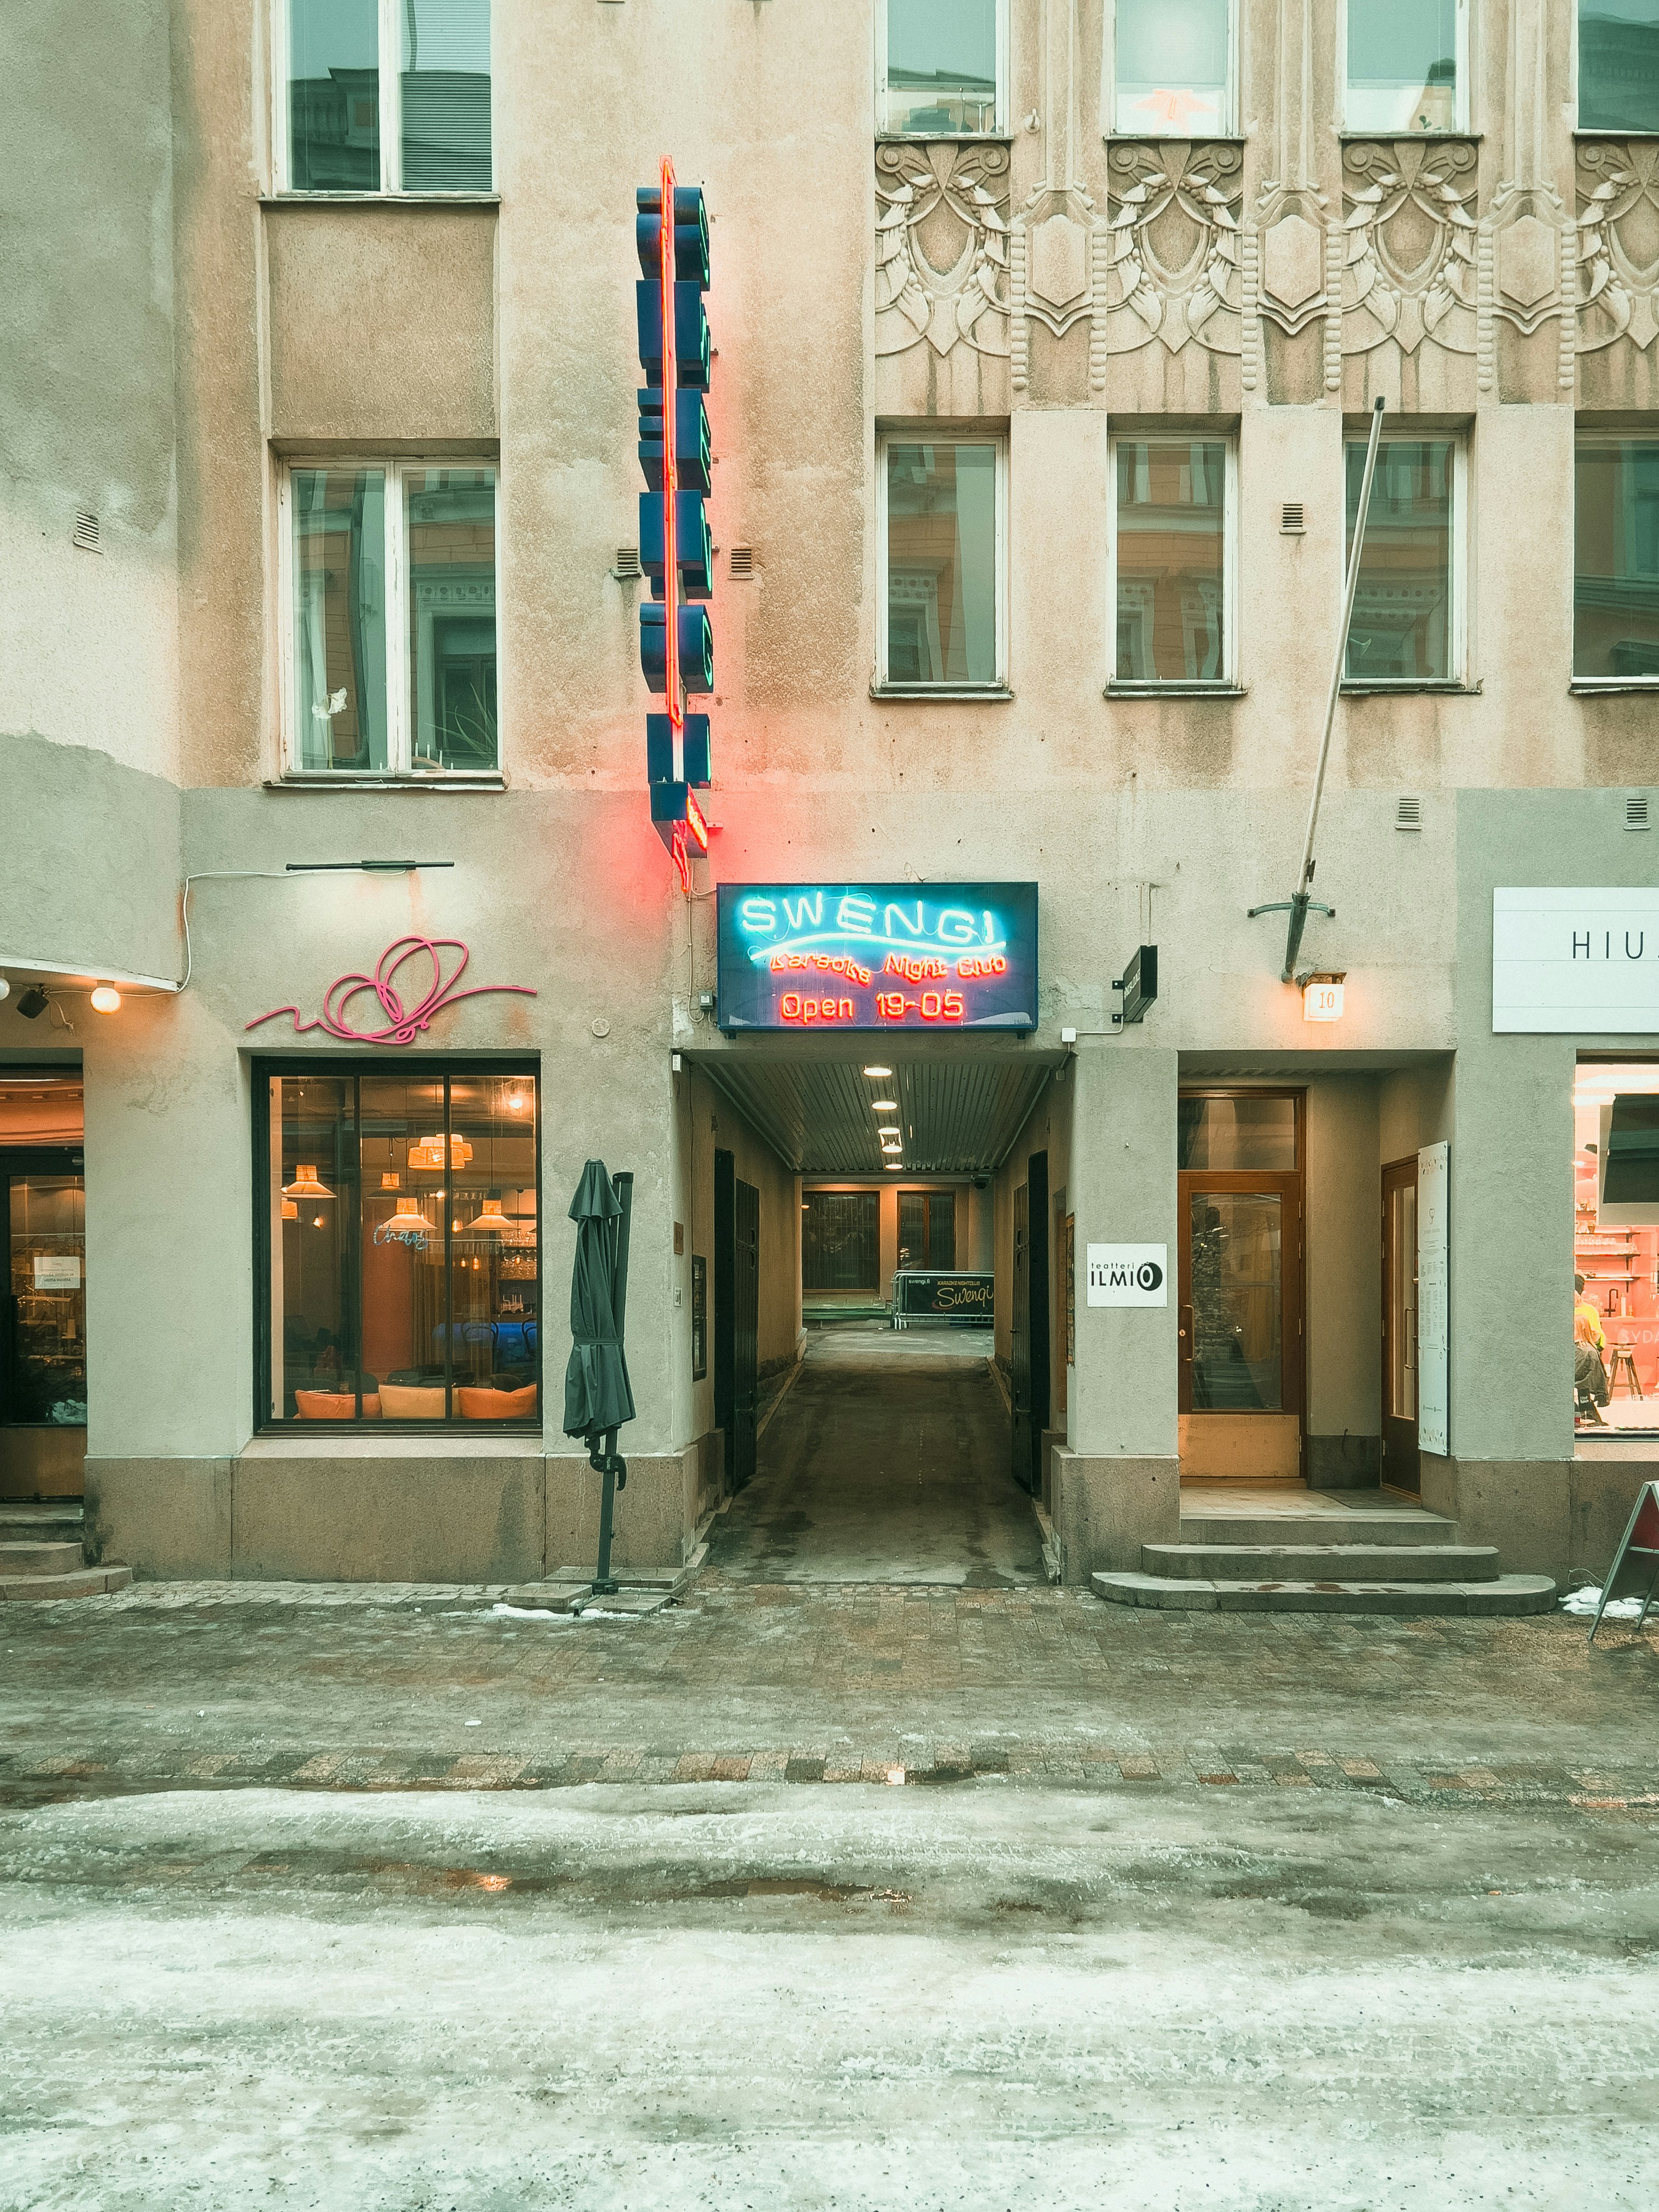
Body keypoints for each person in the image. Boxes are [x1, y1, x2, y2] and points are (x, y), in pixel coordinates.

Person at [1575, 1273, 1610, 1423]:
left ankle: (1586, 1414)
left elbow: (1599, 1340)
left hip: (1583, 1354)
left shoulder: (1589, 1311)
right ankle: (1587, 1414)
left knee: (1590, 1358)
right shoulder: (1589, 1311)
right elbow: (1600, 1342)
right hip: (1583, 1356)